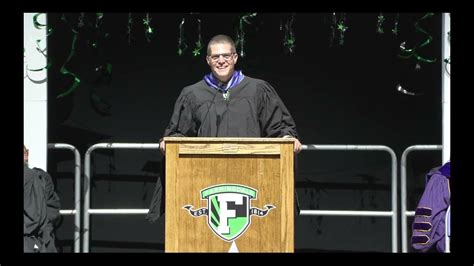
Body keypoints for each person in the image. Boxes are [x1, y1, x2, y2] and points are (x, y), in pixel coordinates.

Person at [146, 34, 301, 223]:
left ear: (235, 58)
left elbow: (280, 127)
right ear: (208, 60)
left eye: (226, 56)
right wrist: (168, 143)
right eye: (215, 57)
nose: (221, 61)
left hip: (253, 177)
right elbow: (178, 133)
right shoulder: (193, 94)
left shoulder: (258, 90)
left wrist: (287, 138)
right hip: (205, 180)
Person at [24, 145, 61, 252]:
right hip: (42, 242)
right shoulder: (42, 177)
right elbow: (52, 211)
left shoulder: (39, 178)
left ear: (26, 154)